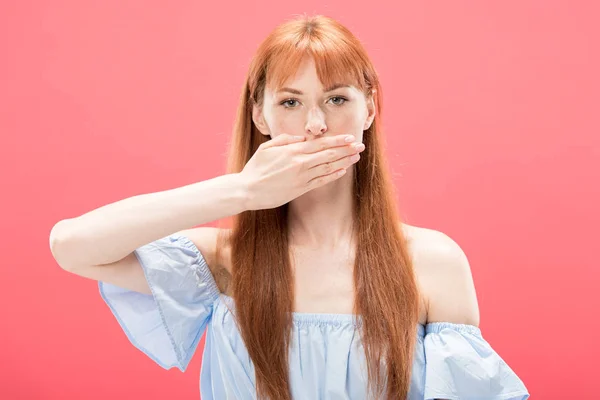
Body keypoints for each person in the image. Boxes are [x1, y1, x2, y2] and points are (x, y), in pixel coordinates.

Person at [49, 14, 529, 400]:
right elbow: (72, 246)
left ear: (370, 109)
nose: (316, 124)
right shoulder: (224, 260)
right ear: (260, 114)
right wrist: (242, 190)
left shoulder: (430, 262)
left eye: (337, 98)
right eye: (291, 102)